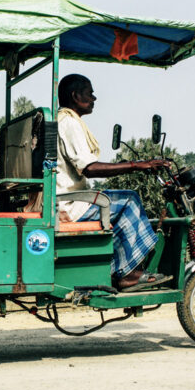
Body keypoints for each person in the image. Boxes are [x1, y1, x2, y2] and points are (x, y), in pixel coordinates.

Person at [56, 74, 171, 291]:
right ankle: (130, 275)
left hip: (64, 201)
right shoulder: (69, 122)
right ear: (75, 95)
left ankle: (116, 268)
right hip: (68, 206)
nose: (94, 98)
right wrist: (136, 165)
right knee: (129, 199)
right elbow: (89, 168)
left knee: (114, 202)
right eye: (90, 93)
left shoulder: (62, 120)